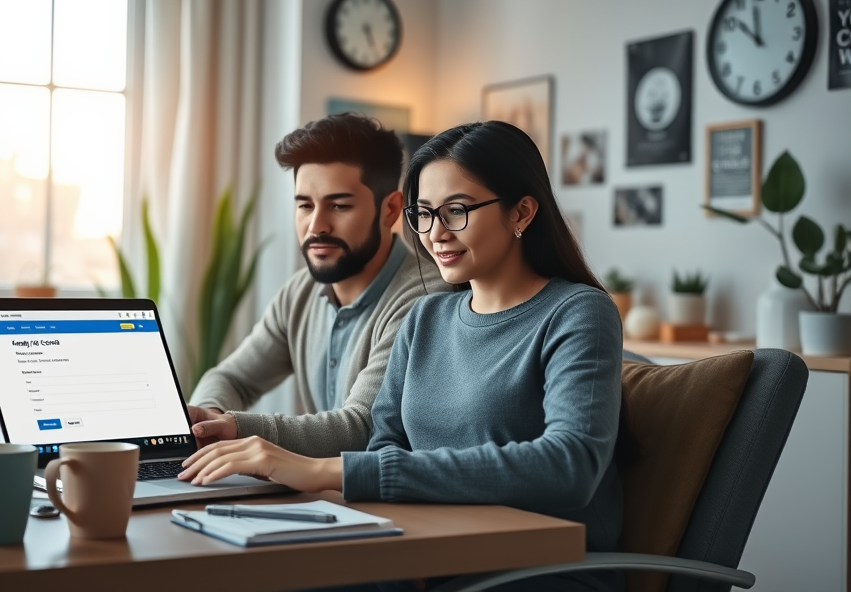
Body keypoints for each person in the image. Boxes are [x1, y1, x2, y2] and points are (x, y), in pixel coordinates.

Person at [179, 121, 625, 592]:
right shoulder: (428, 318)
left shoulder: (578, 312)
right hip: (429, 552)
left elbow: (568, 466)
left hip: (537, 569)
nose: (435, 234)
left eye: (457, 211)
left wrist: (321, 470)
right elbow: (384, 446)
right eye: (425, 213)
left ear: (522, 212)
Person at [187, 113, 447, 458]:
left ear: (390, 209)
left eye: (339, 205)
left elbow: (360, 428)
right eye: (305, 205)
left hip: (397, 504)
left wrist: (235, 429)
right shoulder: (301, 292)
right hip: (327, 497)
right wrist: (210, 421)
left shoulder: (425, 298)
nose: (316, 226)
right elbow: (233, 378)